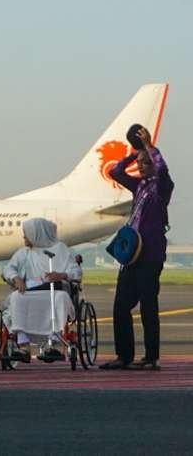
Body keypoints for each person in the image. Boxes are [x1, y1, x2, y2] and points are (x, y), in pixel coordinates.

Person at [101, 126, 175, 371]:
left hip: (151, 255)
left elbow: (162, 168)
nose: (142, 166)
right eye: (140, 163)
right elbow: (115, 171)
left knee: (148, 306)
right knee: (121, 306)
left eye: (145, 162)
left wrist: (149, 147)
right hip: (132, 257)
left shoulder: (162, 187)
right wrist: (135, 153)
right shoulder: (140, 186)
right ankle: (124, 356)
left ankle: (151, 357)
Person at [1, 218, 81, 362]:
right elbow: (8, 268)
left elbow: (76, 271)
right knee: (16, 298)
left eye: (26, 233)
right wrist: (15, 278)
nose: (24, 237)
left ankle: (53, 344)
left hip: (55, 291)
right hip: (31, 292)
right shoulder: (24, 253)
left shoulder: (61, 249)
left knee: (60, 298)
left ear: (37, 233)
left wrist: (61, 275)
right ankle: (23, 346)